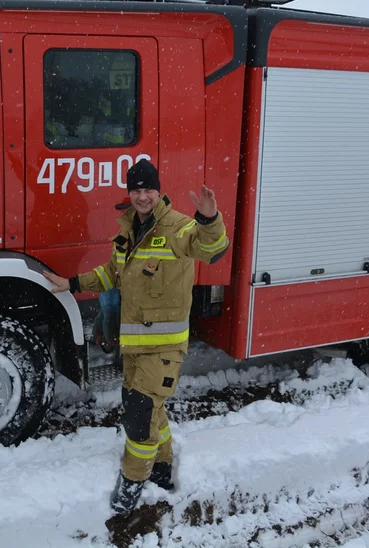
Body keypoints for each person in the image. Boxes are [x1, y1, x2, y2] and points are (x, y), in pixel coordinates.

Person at [43, 159, 229, 515]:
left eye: (148, 189)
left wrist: (209, 217)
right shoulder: (129, 228)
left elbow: (212, 249)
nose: (142, 196)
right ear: (130, 193)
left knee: (139, 414)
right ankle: (162, 465)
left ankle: (132, 482)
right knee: (150, 407)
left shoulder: (178, 227)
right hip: (134, 346)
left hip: (164, 346)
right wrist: (74, 284)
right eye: (136, 190)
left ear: (158, 191)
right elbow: (113, 272)